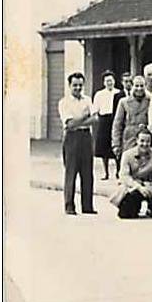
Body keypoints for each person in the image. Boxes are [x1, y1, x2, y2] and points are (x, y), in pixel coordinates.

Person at [58, 72, 98, 215]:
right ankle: (69, 205)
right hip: (71, 138)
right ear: (69, 86)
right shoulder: (64, 102)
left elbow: (95, 119)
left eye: (80, 85)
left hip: (86, 137)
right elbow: (69, 124)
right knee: (71, 172)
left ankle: (87, 206)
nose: (77, 88)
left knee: (87, 172)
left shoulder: (87, 100)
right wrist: (84, 117)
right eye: (75, 85)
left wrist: (79, 121)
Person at [114, 129, 152, 219]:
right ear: (137, 140)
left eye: (148, 141)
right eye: (142, 141)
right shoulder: (127, 155)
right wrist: (139, 187)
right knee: (126, 213)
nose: (145, 144)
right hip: (134, 187)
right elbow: (124, 176)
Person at [112, 75, 151, 159]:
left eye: (142, 86)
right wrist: (116, 144)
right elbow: (117, 124)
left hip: (145, 138)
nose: (139, 88)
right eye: (136, 86)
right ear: (132, 86)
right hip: (129, 138)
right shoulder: (124, 102)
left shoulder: (150, 100)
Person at [93, 70, 121, 180]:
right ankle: (106, 173)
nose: (109, 83)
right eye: (107, 81)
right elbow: (96, 110)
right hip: (104, 121)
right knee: (104, 148)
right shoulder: (99, 94)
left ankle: (118, 172)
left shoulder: (119, 93)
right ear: (104, 82)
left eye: (111, 80)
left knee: (116, 146)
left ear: (114, 81)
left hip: (115, 119)